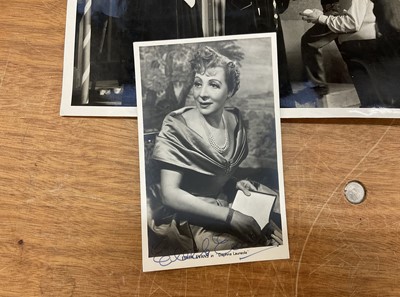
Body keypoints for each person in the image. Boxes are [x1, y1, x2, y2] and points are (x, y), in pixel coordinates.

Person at [147, 46, 280, 256]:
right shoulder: (176, 125)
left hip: (223, 201)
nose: (202, 94)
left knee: (273, 230)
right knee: (253, 250)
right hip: (187, 217)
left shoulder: (235, 120)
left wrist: (231, 180)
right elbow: (169, 194)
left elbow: (213, 166)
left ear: (231, 91)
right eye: (198, 84)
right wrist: (230, 216)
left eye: (214, 85)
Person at [300, 0, 377, 106]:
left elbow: (353, 23)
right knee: (350, 57)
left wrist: (320, 17)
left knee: (309, 41)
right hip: (336, 10)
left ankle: (318, 87)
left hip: (337, 11)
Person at [300, 1, 340, 98]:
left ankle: (319, 85)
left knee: (308, 41)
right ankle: (319, 85)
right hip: (334, 9)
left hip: (336, 11)